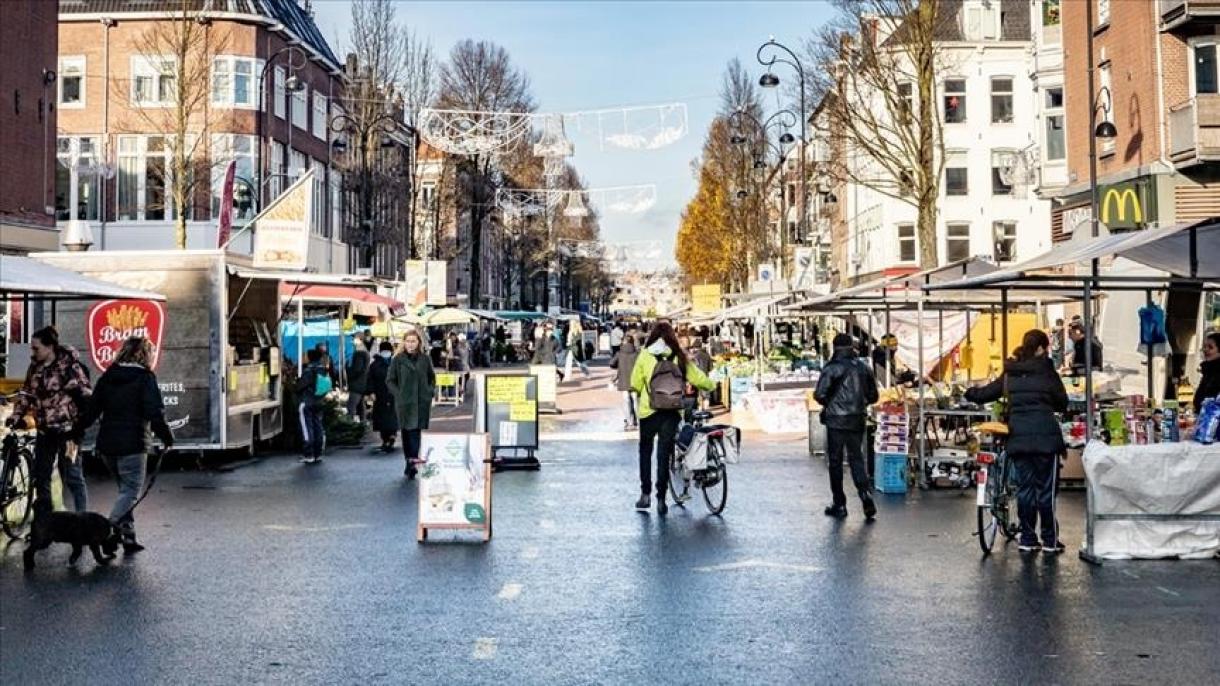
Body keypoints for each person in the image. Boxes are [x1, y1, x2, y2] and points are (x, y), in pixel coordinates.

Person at [966, 329, 1069, 553]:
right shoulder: (1047, 371)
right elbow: (1063, 402)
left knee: (1025, 489)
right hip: (1045, 440)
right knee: (1046, 491)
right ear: (1041, 348)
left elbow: (988, 392)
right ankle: (1050, 540)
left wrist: (970, 393)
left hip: (1018, 439)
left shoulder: (1011, 372)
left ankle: (1028, 538)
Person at [75, 337, 173, 553]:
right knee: (130, 491)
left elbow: (92, 410)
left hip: (107, 445)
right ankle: (107, 531)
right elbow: (153, 412)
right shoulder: (145, 378)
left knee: (124, 491)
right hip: (133, 444)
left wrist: (76, 430)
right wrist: (167, 437)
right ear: (145, 355)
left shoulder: (109, 376)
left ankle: (128, 537)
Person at [630, 322, 716, 515]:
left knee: (645, 451)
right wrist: (711, 385)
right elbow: (697, 377)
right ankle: (661, 498)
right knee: (664, 454)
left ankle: (645, 493)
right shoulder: (678, 355)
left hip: (648, 411)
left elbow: (635, 383)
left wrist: (643, 389)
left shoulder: (645, 355)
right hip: (671, 411)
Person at [6, 326, 91, 515]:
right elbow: (27, 393)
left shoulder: (69, 367)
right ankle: (45, 522)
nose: (33, 352)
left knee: (72, 476)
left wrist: (79, 426)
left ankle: (82, 520)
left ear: (50, 347)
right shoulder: (35, 367)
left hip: (68, 432)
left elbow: (86, 396)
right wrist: (16, 415)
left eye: (36, 348)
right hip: (45, 430)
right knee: (41, 476)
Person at [815, 334, 880, 521]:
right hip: (857, 418)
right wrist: (859, 403)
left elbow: (820, 394)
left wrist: (831, 403)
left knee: (835, 462)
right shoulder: (863, 367)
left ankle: (840, 503)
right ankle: (865, 494)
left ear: (835, 347)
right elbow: (874, 396)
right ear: (852, 347)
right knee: (856, 458)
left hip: (836, 420)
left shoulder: (832, 368)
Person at [387, 329, 435, 479]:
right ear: (404, 342)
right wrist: (399, 394)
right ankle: (409, 460)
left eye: (413, 341)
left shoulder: (425, 359)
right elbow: (390, 380)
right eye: (408, 341)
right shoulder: (398, 359)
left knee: (415, 432)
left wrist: (429, 392)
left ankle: (413, 462)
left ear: (419, 342)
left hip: (420, 402)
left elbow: (431, 378)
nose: (410, 344)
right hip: (405, 403)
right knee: (406, 434)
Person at [295, 348, 330, 464]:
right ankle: (318, 453)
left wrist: (297, 383)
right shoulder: (323, 369)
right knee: (318, 426)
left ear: (310, 357)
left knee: (306, 428)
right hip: (319, 401)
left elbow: (300, 386)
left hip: (307, 402)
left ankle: (308, 453)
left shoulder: (309, 370)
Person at [367, 341, 398, 453]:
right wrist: (371, 392)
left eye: (388, 350)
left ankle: (392, 436)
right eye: (384, 351)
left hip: (393, 394)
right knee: (382, 419)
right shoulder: (374, 365)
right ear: (380, 352)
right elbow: (370, 379)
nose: (386, 352)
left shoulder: (396, 363)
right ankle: (385, 439)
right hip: (379, 395)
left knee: (393, 416)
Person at [610, 337, 639, 430]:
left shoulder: (619, 354)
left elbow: (611, 363)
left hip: (623, 381)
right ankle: (638, 421)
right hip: (635, 381)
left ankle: (629, 421)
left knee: (626, 401)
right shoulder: (637, 354)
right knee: (635, 401)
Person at [1193, 331, 1220, 413]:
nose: (1206, 350)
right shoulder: (1208, 370)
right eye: (1204, 347)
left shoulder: (1216, 372)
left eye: (1210, 347)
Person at [345, 338, 370, 423]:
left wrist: (347, 370)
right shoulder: (366, 354)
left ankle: (350, 424)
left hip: (357, 384)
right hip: (363, 383)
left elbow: (357, 370)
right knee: (360, 405)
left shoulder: (359, 354)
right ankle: (363, 423)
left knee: (351, 406)